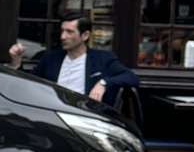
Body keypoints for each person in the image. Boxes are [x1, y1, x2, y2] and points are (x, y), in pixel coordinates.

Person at [7, 12, 136, 110]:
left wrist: (103, 83)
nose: (63, 37)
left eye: (69, 32)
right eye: (62, 31)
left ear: (85, 35)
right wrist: (16, 62)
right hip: (53, 115)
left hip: (86, 119)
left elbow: (131, 77)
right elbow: (28, 83)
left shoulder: (102, 59)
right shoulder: (51, 58)